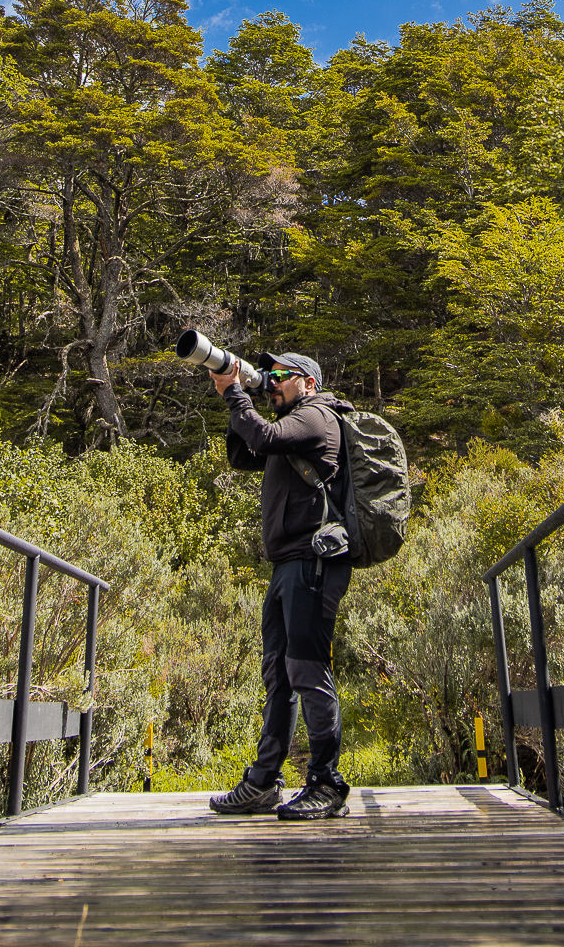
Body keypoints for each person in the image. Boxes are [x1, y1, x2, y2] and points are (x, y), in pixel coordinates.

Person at [208, 349, 353, 821]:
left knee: (306, 670)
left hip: (312, 561)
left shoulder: (317, 417)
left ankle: (327, 783)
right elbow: (243, 452)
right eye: (266, 375)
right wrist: (237, 396)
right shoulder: (288, 431)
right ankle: (264, 781)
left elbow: (264, 435)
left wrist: (235, 394)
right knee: (279, 674)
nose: (270, 383)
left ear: (307, 381)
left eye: (279, 377)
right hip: (287, 564)